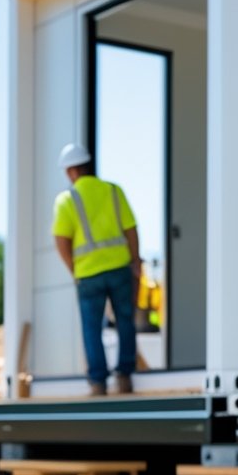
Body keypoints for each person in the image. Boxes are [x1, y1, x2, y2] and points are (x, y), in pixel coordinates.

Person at [52, 143, 141, 396]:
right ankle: (125, 377)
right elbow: (131, 229)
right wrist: (135, 261)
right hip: (119, 267)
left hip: (88, 274)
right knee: (125, 321)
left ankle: (98, 382)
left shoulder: (67, 199)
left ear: (70, 171)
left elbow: (61, 240)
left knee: (92, 328)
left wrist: (74, 269)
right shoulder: (113, 191)